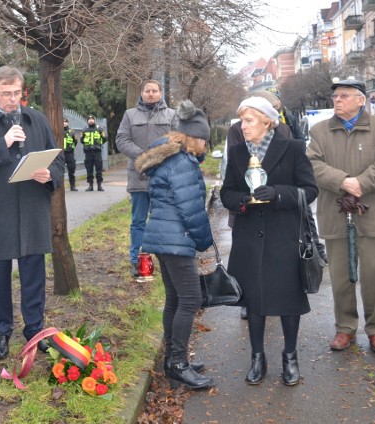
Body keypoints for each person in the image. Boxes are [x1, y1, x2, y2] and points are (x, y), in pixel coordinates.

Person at [0, 66, 64, 360]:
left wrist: (49, 175)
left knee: (34, 277)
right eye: (7, 94)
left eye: (17, 93)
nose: (13, 100)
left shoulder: (37, 120)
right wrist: (1, 144)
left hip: (32, 210)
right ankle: (2, 331)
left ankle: (35, 331)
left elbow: (58, 160)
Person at [220, 96, 318, 386]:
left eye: (248, 120)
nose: (243, 126)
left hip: (284, 236)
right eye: (241, 121)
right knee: (254, 302)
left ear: (266, 120)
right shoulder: (237, 152)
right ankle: (257, 357)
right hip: (249, 239)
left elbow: (309, 190)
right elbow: (226, 193)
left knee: (288, 300)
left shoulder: (293, 148)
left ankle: (290, 356)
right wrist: (242, 201)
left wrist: (277, 193)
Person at [306, 78, 375, 354]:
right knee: (340, 276)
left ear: (362, 99)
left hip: (373, 212)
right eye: (335, 96)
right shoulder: (320, 131)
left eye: (344, 95)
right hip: (336, 213)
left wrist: (362, 184)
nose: (337, 100)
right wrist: (343, 182)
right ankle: (345, 328)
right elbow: (312, 165)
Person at [134, 100, 214, 390]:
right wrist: (205, 242)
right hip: (176, 240)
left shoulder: (168, 158)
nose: (206, 144)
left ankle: (172, 359)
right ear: (193, 137)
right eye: (203, 138)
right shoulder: (183, 163)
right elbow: (192, 210)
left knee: (175, 300)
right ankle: (178, 363)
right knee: (191, 299)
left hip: (164, 239)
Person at [226, 90, 292, 321]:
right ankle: (249, 300)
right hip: (247, 206)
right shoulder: (237, 130)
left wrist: (276, 191)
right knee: (249, 258)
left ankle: (273, 297)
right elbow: (234, 165)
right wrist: (245, 196)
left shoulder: (283, 129)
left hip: (274, 207)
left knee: (273, 257)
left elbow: (290, 169)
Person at [116, 80, 178, 281]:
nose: (151, 94)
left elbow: (178, 140)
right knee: (138, 221)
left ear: (160, 93)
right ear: (141, 93)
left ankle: (165, 260)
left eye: (154, 91)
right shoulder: (130, 115)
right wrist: (144, 156)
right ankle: (137, 260)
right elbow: (121, 140)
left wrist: (159, 156)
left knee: (162, 219)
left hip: (163, 177)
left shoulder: (171, 115)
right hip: (139, 175)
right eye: (147, 90)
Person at [82, 114, 106, 191]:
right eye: (89, 119)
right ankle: (90, 185)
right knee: (89, 169)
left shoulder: (100, 129)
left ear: (94, 120)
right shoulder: (84, 130)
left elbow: (105, 138)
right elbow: (82, 140)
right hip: (88, 152)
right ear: (87, 121)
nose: (91, 120)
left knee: (99, 169)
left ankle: (99, 185)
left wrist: (98, 144)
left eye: (92, 119)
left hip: (97, 152)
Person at [62, 118, 78, 191]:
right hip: (61, 153)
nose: (64, 123)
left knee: (71, 170)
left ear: (68, 123)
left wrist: (71, 148)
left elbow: (75, 141)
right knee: (61, 171)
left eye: (65, 122)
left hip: (69, 153)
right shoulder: (58, 131)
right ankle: (61, 187)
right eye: (63, 122)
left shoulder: (72, 132)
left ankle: (72, 186)